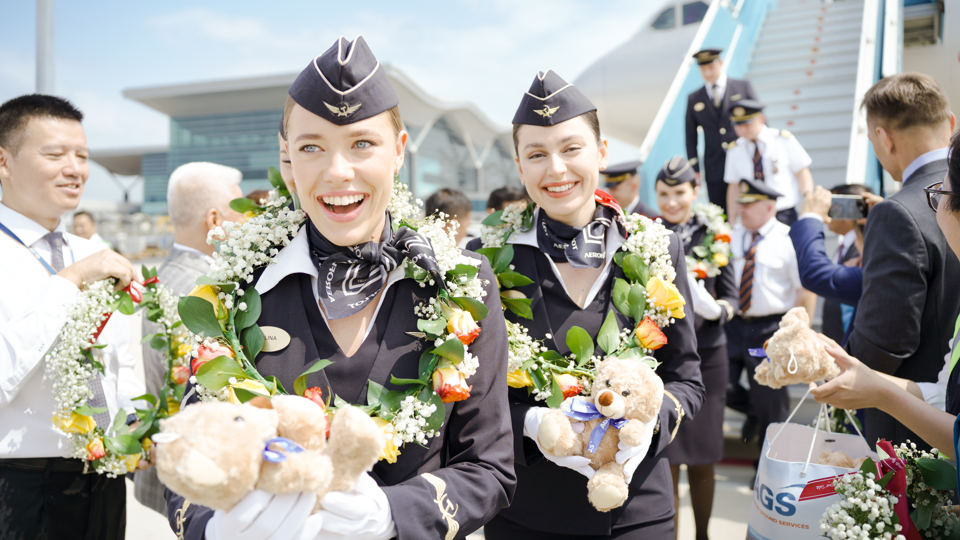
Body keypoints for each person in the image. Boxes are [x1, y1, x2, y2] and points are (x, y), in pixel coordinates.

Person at [165, 36, 515, 540]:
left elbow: (488, 467)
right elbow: (192, 450)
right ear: (288, 157)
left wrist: (394, 513)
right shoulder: (235, 287)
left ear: (398, 151)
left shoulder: (462, 282)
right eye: (312, 147)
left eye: (362, 144)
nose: (337, 172)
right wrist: (215, 527)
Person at [476, 69, 704, 539]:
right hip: (526, 514)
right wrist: (532, 424)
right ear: (520, 167)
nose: (556, 169)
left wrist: (645, 430)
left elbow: (686, 378)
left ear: (601, 153)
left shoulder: (655, 247)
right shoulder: (485, 260)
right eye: (537, 154)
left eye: (571, 148)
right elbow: (475, 397)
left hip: (637, 512)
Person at [0, 94, 141, 539]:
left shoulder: (94, 253)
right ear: (4, 162)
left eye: (82, 156)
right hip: (19, 482)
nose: (75, 168)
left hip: (103, 475)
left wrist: (135, 423)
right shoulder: (82, 264)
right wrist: (70, 280)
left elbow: (122, 359)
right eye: (55, 154)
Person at [810, 128, 960, 464]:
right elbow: (944, 397)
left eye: (940, 192)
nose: (933, 204)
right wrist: (864, 376)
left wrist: (881, 393)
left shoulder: (898, 216)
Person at [846, 73, 960, 449]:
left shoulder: (897, 212)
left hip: (915, 432)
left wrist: (841, 361)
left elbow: (884, 343)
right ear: (951, 123)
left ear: (883, 138)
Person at [133, 162, 244, 514]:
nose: (249, 222)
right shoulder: (201, 293)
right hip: (198, 483)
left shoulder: (168, 278)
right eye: (241, 211)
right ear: (214, 220)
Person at [655, 156, 737, 540]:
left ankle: (702, 535)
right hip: (662, 357)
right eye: (664, 194)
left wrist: (712, 308)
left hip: (708, 356)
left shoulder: (714, 233)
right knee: (665, 458)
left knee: (703, 459)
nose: (672, 202)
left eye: (679, 192)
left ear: (695, 191)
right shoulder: (646, 234)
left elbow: (733, 299)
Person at [725, 178, 816, 448]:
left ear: (769, 207)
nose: (742, 209)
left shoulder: (788, 239)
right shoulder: (732, 234)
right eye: (740, 203)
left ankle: (766, 469)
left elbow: (805, 291)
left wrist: (799, 333)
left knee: (770, 401)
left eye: (749, 204)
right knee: (721, 385)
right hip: (733, 325)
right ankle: (751, 410)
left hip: (769, 329)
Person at [789, 184, 875, 345]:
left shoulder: (868, 261)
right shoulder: (847, 249)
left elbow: (817, 273)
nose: (828, 212)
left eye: (831, 205)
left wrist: (810, 216)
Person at [685, 48, 758, 213]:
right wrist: (695, 169)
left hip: (744, 157)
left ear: (720, 63)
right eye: (703, 69)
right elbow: (690, 137)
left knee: (750, 205)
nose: (708, 72)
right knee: (720, 212)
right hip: (714, 165)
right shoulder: (694, 98)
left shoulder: (742, 87)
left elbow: (759, 119)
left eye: (711, 67)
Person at [724, 100, 813, 226]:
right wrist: (732, 222)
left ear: (761, 119)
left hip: (783, 213)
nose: (742, 130)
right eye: (738, 125)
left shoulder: (782, 139)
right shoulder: (734, 149)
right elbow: (734, 187)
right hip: (753, 214)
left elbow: (801, 172)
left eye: (747, 124)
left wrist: (807, 202)